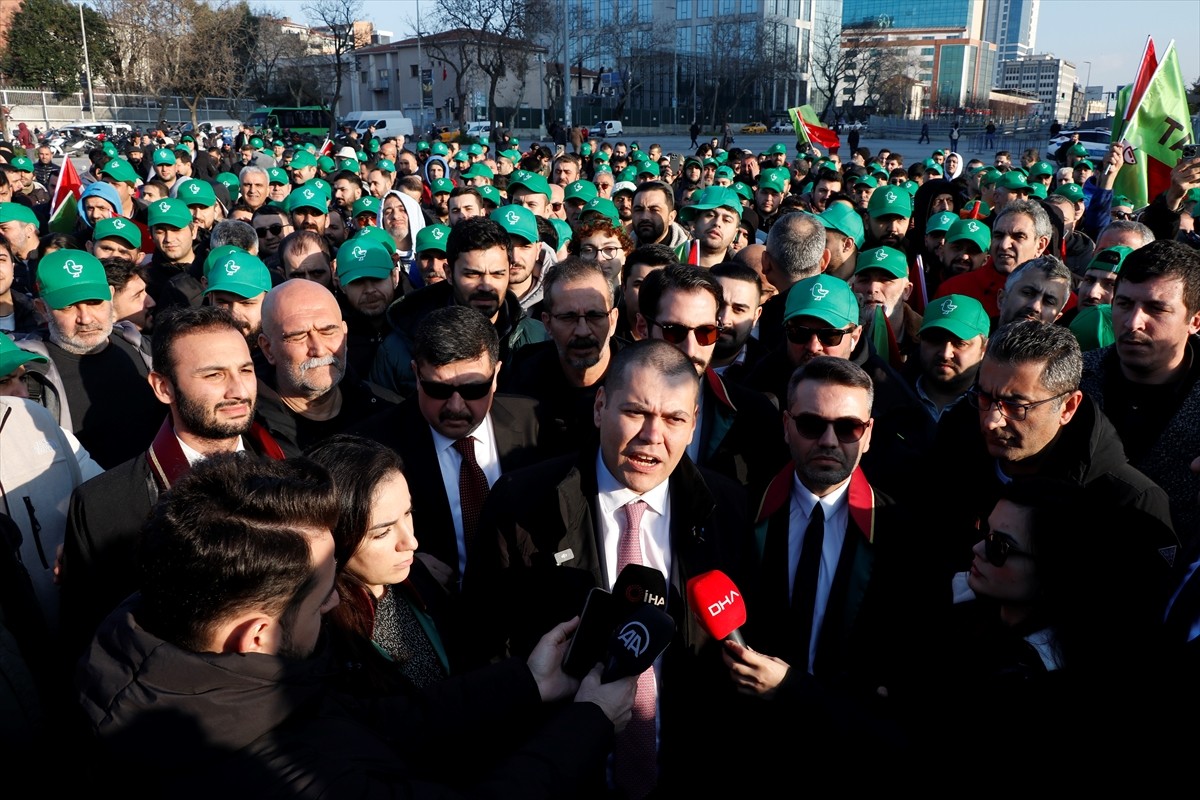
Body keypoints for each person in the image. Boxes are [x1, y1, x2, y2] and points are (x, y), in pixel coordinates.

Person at [76, 454, 637, 799]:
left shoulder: (164, 638)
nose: (331, 605)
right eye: (322, 596)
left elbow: (383, 722)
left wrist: (528, 683)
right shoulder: (299, 780)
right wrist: (589, 721)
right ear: (255, 636)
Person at [467, 339, 746, 797]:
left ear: (694, 425)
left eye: (674, 419)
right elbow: (485, 648)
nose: (652, 436)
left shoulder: (727, 509)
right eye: (635, 412)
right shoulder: (521, 502)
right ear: (600, 406)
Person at [60, 305, 285, 658]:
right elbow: (89, 644)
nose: (238, 390)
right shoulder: (103, 506)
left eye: (246, 370)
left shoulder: (286, 469)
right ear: (163, 387)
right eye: (214, 375)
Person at [932, 320, 1177, 581]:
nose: (992, 421)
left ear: (1068, 408)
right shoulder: (950, 453)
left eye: (1016, 406)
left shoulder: (1131, 503)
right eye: (984, 397)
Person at [354, 306, 543, 590]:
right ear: (416, 374)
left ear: (496, 375)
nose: (455, 406)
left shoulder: (538, 425)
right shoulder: (374, 445)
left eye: (472, 389)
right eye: (438, 390)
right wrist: (408, 567)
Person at [1080, 240, 1200, 542]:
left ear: (1195, 320)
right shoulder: (1071, 377)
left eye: (1156, 309)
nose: (1133, 322)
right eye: (1124, 304)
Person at [371, 216, 546, 397]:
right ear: (449, 273)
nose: (486, 285)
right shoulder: (400, 347)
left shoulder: (539, 338)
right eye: (472, 274)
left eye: (497, 274)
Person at [33, 250, 163, 468]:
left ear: (111, 296)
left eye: (94, 302)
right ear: (42, 309)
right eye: (68, 306)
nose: (85, 318)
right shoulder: (32, 377)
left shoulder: (141, 348)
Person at [255, 279, 397, 457]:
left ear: (345, 336)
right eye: (298, 336)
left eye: (328, 332)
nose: (319, 349)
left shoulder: (388, 413)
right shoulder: (246, 432)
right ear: (268, 348)